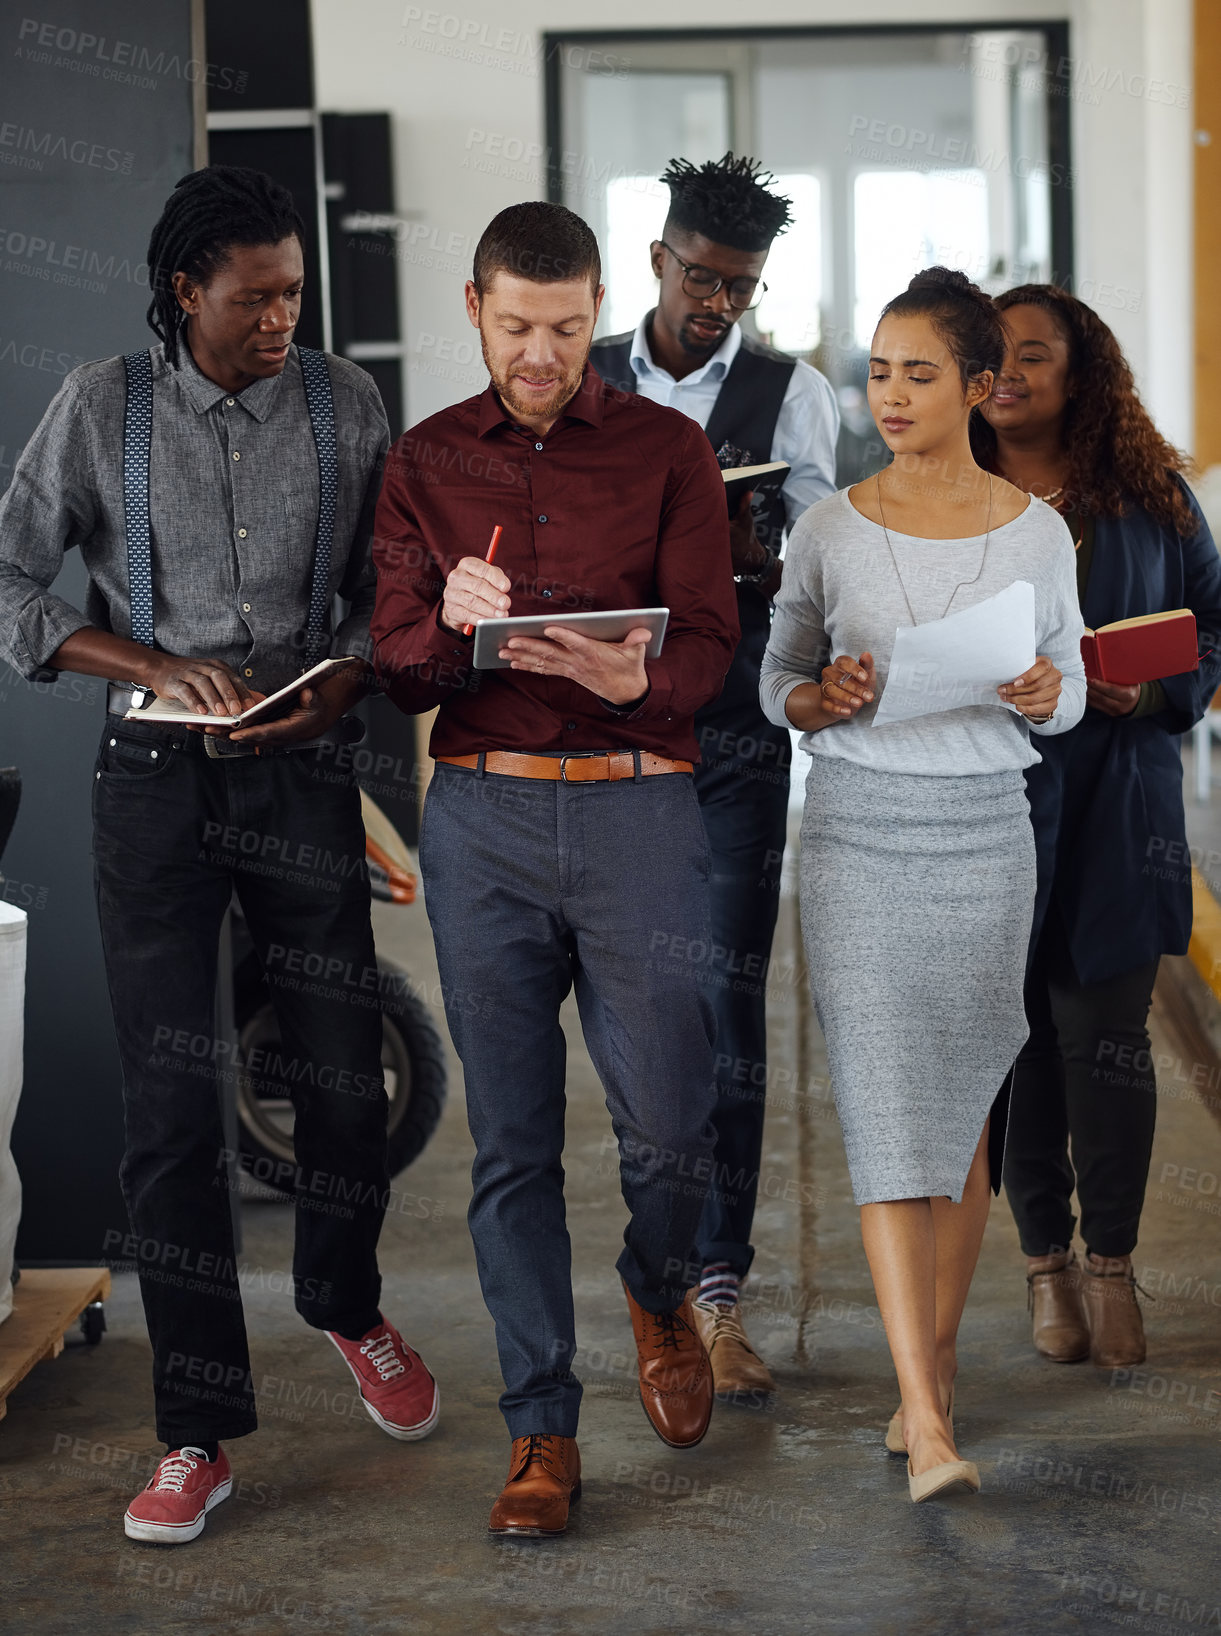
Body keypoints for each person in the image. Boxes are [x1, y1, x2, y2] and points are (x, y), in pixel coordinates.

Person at [0, 167, 439, 1544]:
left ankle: (344, 1304)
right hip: (150, 783)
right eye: (255, 298)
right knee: (170, 1117)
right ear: (184, 291)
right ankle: (195, 1434)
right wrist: (141, 659)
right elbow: (8, 578)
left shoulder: (345, 403)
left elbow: (393, 590)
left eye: (295, 293)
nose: (282, 320)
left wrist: (351, 676)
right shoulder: (101, 409)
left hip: (303, 767)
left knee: (344, 1088)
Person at [370, 201, 739, 1538]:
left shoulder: (668, 451)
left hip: (641, 814)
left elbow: (709, 647)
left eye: (569, 328)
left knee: (672, 1131)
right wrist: (445, 626)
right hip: (487, 820)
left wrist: (646, 675)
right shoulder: (420, 462)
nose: (543, 353)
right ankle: (539, 1432)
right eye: (519, 326)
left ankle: (657, 1284)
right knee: (512, 1142)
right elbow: (393, 660)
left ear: (598, 311)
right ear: (475, 307)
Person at [760, 267, 1086, 1501]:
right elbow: (778, 675)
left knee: (959, 1131)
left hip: (985, 837)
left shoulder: (1037, 529)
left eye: (919, 373)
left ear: (979, 385)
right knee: (890, 1123)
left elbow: (1062, 678)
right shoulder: (830, 526)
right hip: (855, 837)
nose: (889, 394)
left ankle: (926, 1383)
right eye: (878, 371)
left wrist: (1047, 694)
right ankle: (932, 1431)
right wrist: (812, 696)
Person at [591, 154, 839, 1398]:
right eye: (701, 278)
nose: (717, 306)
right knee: (636, 1014)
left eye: (740, 288)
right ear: (656, 262)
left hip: (734, 735)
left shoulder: (792, 395)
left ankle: (718, 1290)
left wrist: (766, 546)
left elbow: (821, 564)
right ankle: (656, 1278)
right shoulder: (574, 377)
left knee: (727, 1006)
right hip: (601, 735)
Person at [973, 284, 1221, 1368]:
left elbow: (1211, 625)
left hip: (1119, 805)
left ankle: (1113, 1265)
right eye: (996, 355)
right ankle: (1046, 1268)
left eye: (1038, 355)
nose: (1013, 372)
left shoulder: (1150, 495)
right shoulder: (946, 497)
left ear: (1084, 376)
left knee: (1108, 1043)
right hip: (989, 800)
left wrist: (1153, 692)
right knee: (1019, 1045)